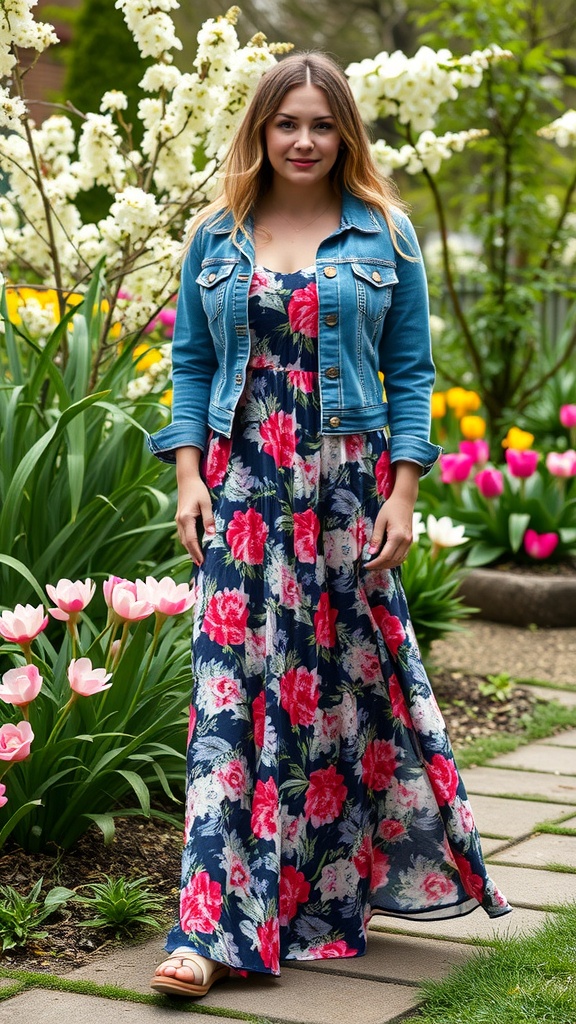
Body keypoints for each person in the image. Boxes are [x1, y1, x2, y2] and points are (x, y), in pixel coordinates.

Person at [147, 52, 511, 998]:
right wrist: (190, 478)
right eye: (286, 124)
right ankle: (207, 932)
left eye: (320, 124)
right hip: (242, 489)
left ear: (344, 133)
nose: (303, 140)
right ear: (260, 132)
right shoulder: (215, 237)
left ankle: (313, 896)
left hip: (345, 490)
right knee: (230, 699)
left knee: (340, 688)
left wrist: (403, 492)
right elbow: (190, 364)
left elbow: (413, 374)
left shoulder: (383, 234)